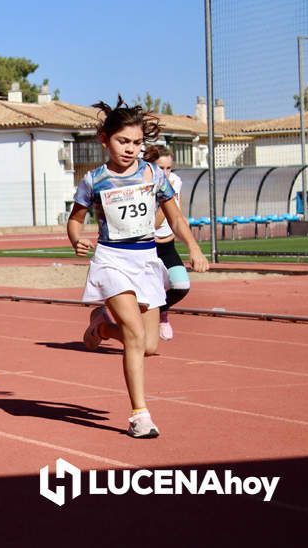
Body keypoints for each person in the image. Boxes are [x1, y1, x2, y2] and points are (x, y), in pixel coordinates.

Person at [67, 96, 209, 439]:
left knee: (147, 345)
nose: (130, 149)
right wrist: (76, 239)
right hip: (111, 260)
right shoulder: (94, 181)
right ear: (105, 139)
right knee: (132, 332)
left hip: (146, 259)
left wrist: (193, 248)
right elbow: (75, 220)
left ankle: (101, 327)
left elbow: (175, 216)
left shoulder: (152, 173)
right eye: (122, 141)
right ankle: (139, 415)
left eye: (136, 142)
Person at [144, 145, 191, 341]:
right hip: (147, 246)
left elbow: (177, 209)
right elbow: (159, 216)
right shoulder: (145, 186)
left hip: (167, 245)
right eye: (160, 168)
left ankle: (162, 312)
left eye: (168, 168)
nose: (165, 173)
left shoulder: (175, 181)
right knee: (145, 294)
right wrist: (165, 201)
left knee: (181, 285)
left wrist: (185, 232)